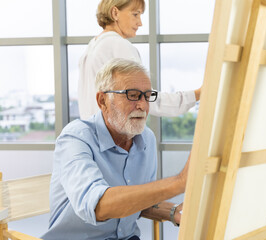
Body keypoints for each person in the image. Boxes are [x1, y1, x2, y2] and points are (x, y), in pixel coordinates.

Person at [42, 59, 190, 240]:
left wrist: (173, 211)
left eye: (147, 95)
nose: (143, 105)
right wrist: (179, 182)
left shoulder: (147, 139)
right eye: (133, 95)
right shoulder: (75, 138)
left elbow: (141, 202)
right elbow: (98, 206)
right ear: (102, 100)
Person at [78, 0, 201, 120]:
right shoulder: (120, 46)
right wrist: (196, 95)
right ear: (115, 13)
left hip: (92, 132)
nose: (140, 23)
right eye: (135, 14)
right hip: (114, 134)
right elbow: (147, 98)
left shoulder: (92, 47)